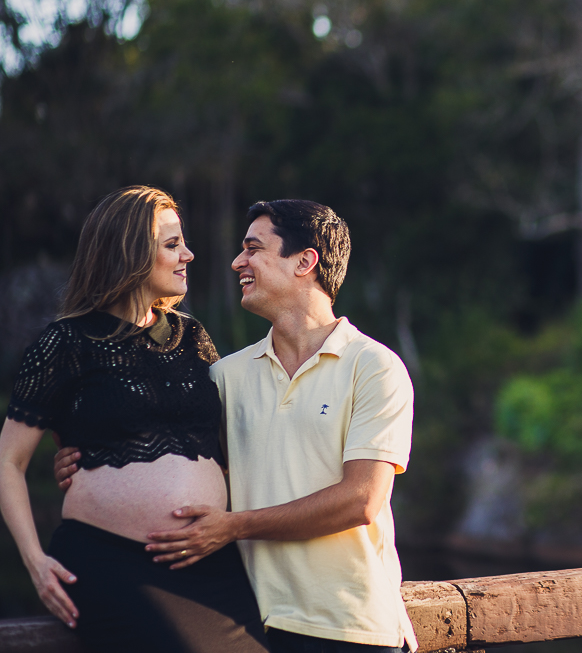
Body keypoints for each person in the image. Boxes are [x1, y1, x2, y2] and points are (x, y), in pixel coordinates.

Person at [63, 199, 420, 653]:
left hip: (353, 627)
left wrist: (234, 526)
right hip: (256, 626)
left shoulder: (373, 367)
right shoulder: (226, 375)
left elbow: (361, 500)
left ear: (305, 262)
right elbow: (179, 462)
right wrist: (89, 458)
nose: (237, 262)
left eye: (253, 249)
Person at [0, 186, 269, 652]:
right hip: (112, 560)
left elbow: (226, 443)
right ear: (128, 252)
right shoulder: (65, 343)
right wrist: (34, 561)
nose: (188, 254)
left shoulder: (192, 337)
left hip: (209, 558)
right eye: (171, 245)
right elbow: (8, 462)